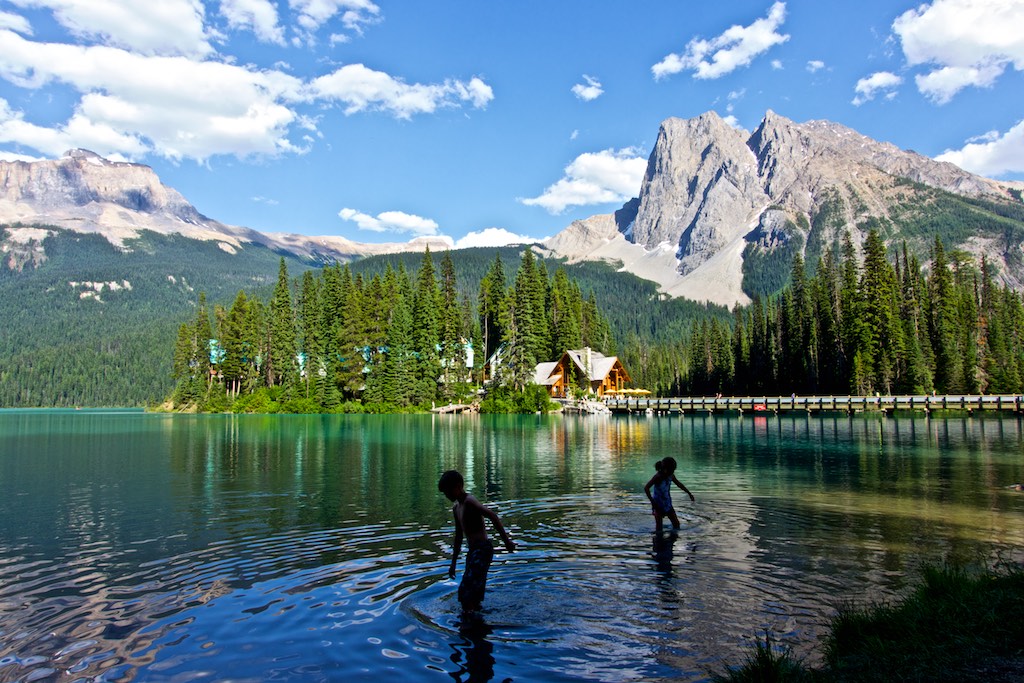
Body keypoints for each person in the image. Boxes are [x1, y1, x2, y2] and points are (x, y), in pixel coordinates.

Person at [438, 470, 515, 612]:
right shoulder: (456, 508)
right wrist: (453, 563)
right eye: (444, 492)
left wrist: (506, 541)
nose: (447, 495)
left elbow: (492, 515)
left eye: (448, 491)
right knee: (473, 591)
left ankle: (473, 622)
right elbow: (458, 537)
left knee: (466, 590)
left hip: (483, 549)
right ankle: (475, 617)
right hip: (473, 551)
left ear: (458, 486)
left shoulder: (469, 501)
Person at [644, 457, 695, 532]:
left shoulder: (671, 476)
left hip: (667, 503)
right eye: (672, 470)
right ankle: (658, 541)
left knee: (676, 524)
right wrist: (653, 502)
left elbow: (679, 484)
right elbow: (646, 488)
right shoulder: (658, 477)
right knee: (659, 528)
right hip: (658, 504)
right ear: (665, 469)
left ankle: (673, 539)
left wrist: (689, 493)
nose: (673, 472)